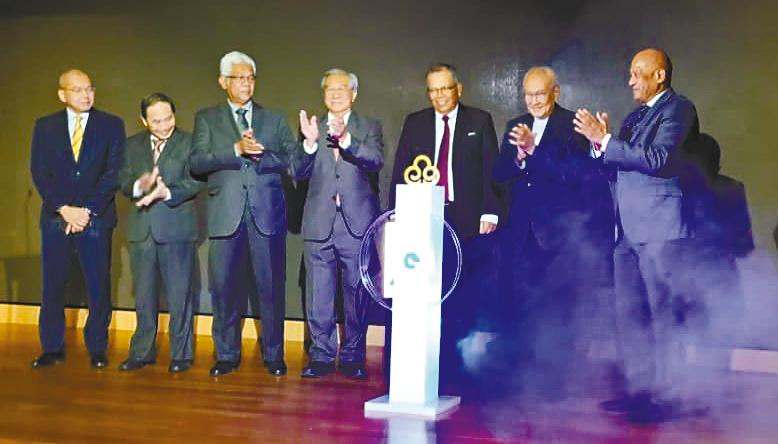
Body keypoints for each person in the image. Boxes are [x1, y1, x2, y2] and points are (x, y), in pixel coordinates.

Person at [574, 48, 701, 422]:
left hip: (660, 230)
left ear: (659, 75)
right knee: (629, 317)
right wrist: (600, 147)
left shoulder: (679, 110)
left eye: (637, 73)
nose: (630, 80)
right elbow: (616, 170)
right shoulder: (634, 117)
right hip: (627, 233)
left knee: (663, 316)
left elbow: (658, 159)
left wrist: (608, 141)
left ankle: (670, 397)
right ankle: (640, 392)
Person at [491, 66, 612, 400]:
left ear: (555, 93)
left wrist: (534, 152)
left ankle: (557, 380)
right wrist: (517, 157)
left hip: (558, 235)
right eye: (528, 95)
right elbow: (500, 174)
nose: (533, 102)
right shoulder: (516, 125)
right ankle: (521, 377)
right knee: (521, 305)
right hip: (520, 232)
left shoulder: (573, 125)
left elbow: (575, 175)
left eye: (540, 94)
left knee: (557, 308)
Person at [388, 63, 501, 390]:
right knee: (425, 293)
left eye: (445, 88)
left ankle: (458, 371)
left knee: (462, 294)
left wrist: (490, 213)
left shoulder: (479, 121)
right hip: (423, 220)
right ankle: (424, 367)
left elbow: (491, 170)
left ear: (459, 89)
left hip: (466, 222)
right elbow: (400, 172)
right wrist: (396, 213)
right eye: (433, 89)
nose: (439, 95)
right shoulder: (415, 123)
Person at [191, 51, 298, 377]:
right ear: (224, 82)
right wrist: (235, 150)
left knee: (271, 288)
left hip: (266, 216)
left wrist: (264, 155)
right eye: (240, 78)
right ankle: (226, 354)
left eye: (251, 78)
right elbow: (196, 163)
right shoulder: (207, 118)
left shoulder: (274, 119)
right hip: (226, 216)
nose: (247, 84)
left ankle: (274, 355)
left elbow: (292, 159)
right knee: (223, 289)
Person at [30, 69, 125, 369]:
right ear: (62, 94)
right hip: (57, 218)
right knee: (53, 284)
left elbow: (114, 173)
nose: (86, 95)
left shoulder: (111, 125)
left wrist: (85, 211)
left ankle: (97, 348)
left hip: (95, 218)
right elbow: (39, 171)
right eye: (78, 90)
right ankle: (52, 348)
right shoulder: (45, 127)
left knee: (98, 285)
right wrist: (63, 208)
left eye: (90, 89)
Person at [295, 69, 384, 379]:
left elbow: (375, 160)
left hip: (355, 223)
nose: (335, 94)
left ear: (354, 94)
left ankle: (352, 355)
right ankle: (320, 355)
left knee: (356, 293)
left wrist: (346, 140)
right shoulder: (312, 128)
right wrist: (308, 145)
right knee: (318, 293)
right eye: (329, 89)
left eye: (341, 88)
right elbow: (298, 171)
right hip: (319, 222)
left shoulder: (369, 127)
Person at [117, 93, 201, 373]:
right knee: (143, 296)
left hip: (177, 229)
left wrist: (169, 192)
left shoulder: (190, 143)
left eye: (168, 118)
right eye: (156, 121)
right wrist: (139, 187)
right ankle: (141, 352)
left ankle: (181, 354)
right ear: (144, 120)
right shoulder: (131, 145)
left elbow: (198, 180)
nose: (164, 125)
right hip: (142, 231)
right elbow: (123, 180)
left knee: (180, 296)